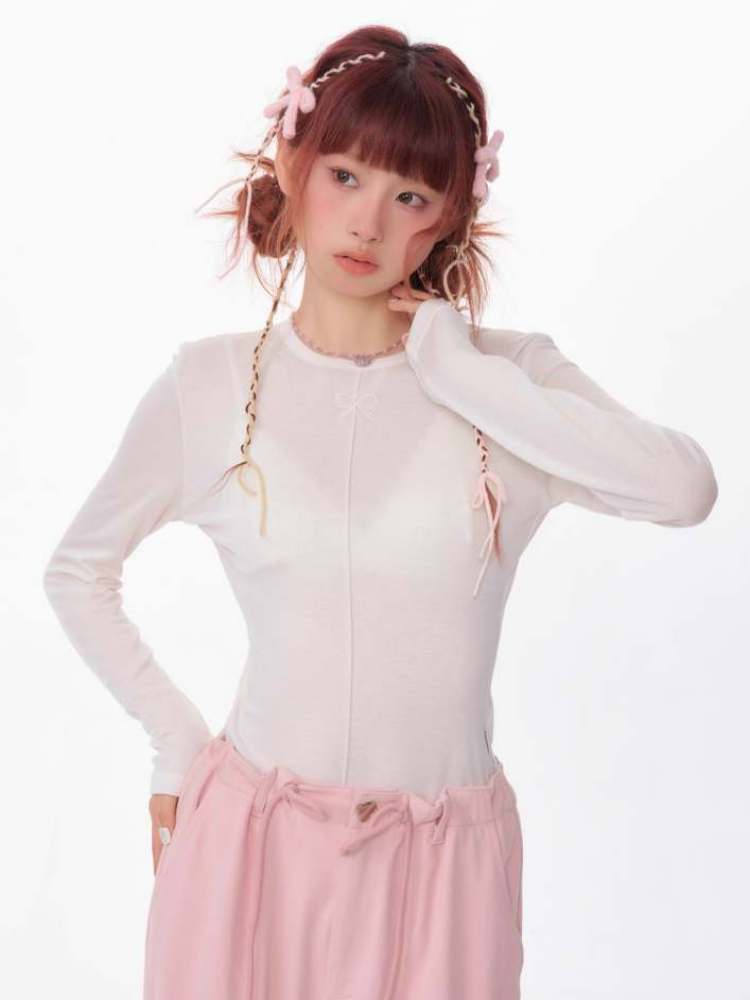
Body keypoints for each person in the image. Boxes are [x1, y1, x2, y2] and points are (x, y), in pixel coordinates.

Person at [41, 24, 718, 1000]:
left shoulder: (510, 380)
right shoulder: (210, 387)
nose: (367, 223)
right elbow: (77, 571)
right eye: (346, 176)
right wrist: (176, 741)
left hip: (445, 868)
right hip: (249, 854)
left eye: (410, 196)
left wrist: (457, 370)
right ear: (294, 165)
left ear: (450, 215)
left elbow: (682, 489)